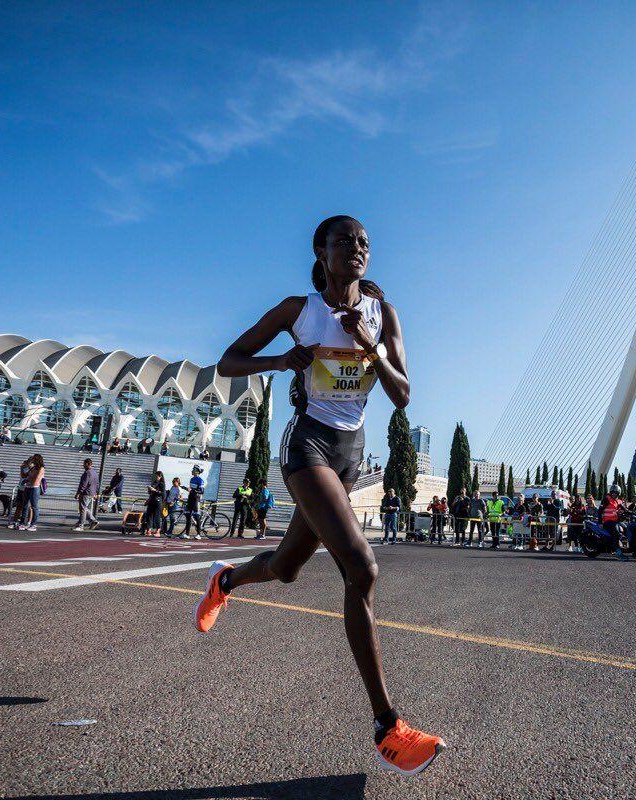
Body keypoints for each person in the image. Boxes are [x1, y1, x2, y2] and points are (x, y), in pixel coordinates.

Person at [192, 214, 444, 774]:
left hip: (350, 455)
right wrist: (281, 359)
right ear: (321, 251)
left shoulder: (384, 314)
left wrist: (368, 345)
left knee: (284, 569)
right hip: (306, 447)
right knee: (362, 567)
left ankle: (224, 580)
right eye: (345, 241)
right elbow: (229, 361)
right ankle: (388, 728)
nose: (356, 249)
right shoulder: (297, 312)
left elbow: (402, 395)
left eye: (364, 243)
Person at [15, 454, 45, 531]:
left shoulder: (41, 468)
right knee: (24, 505)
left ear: (37, 460)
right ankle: (22, 523)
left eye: (34, 459)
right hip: (28, 487)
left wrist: (30, 482)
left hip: (34, 488)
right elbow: (24, 476)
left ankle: (33, 524)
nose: (32, 460)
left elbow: (37, 479)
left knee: (34, 506)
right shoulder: (32, 468)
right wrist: (22, 468)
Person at [74, 458, 100, 531]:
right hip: (92, 493)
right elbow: (97, 484)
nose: (83, 465)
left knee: (82, 509)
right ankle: (92, 521)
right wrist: (96, 493)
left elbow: (83, 484)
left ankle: (81, 525)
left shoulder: (87, 473)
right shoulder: (95, 473)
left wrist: (78, 493)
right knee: (84, 508)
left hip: (86, 493)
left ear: (88, 464)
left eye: (84, 463)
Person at [182, 465, 206, 539]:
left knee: (196, 516)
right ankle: (187, 534)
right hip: (190, 498)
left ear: (197, 471)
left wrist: (192, 490)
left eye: (193, 469)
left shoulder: (200, 480)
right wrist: (185, 488)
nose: (192, 470)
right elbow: (191, 490)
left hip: (196, 499)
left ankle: (199, 534)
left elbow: (201, 491)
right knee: (188, 516)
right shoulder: (192, 479)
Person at [143, 471, 165, 537]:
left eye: (157, 476)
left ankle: (158, 530)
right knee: (149, 515)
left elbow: (162, 493)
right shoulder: (154, 483)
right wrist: (149, 490)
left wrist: (155, 490)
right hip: (152, 500)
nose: (156, 477)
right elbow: (151, 493)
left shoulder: (162, 484)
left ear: (160, 476)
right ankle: (148, 530)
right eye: (155, 476)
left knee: (157, 516)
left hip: (158, 501)